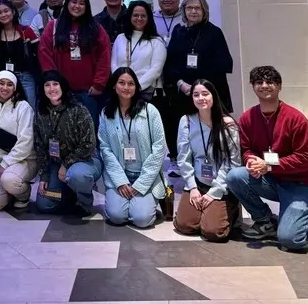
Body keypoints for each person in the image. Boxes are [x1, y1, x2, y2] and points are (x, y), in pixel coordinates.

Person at [226, 66, 308, 250]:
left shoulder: (296, 119)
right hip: (271, 180)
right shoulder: (248, 117)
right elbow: (246, 149)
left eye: (270, 82)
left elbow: (305, 158)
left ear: (279, 86)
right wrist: (251, 161)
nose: (264, 85)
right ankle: (264, 221)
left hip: (300, 183)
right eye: (259, 82)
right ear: (252, 86)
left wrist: (269, 166)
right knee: (234, 176)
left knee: (290, 240)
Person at [163, 0, 235, 173]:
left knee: (210, 133)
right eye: (189, 8)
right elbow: (170, 63)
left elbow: (224, 63)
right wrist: (180, 83)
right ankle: (187, 168)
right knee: (187, 132)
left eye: (197, 8)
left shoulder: (214, 32)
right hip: (184, 92)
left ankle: (216, 167)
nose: (193, 11)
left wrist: (199, 87)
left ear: (204, 10)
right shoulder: (178, 32)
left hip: (209, 92)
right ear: (184, 10)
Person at [98, 68, 167, 228]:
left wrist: (141, 184)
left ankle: (143, 205)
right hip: (119, 175)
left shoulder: (150, 111)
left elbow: (159, 148)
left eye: (131, 84)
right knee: (116, 216)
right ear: (114, 85)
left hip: (145, 175)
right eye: (121, 83)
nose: (126, 87)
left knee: (141, 219)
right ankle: (131, 204)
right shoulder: (106, 113)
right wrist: (121, 181)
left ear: (136, 87)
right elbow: (105, 148)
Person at [173, 79, 241, 242]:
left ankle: (230, 210)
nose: (201, 98)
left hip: (221, 185)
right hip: (198, 183)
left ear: (213, 96)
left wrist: (214, 192)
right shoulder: (187, 121)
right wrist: (192, 187)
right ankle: (206, 213)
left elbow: (233, 162)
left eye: (205, 94)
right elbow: (183, 158)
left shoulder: (228, 124)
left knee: (213, 232)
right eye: (196, 95)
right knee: (184, 225)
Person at [38, 0, 111, 127]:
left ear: (86, 7)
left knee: (88, 129)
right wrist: (53, 84)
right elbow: (44, 53)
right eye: (74, 2)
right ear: (67, 4)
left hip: (88, 92)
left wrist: (99, 84)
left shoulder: (96, 28)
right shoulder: (53, 26)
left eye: (82, 3)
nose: (77, 6)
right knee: (63, 129)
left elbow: (104, 57)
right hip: (62, 92)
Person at [34, 71, 99, 215]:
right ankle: (68, 194)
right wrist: (44, 176)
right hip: (56, 163)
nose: (52, 88)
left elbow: (88, 144)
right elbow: (39, 146)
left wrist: (66, 165)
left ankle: (84, 201)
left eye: (55, 84)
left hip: (85, 161)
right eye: (47, 85)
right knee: (44, 204)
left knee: (77, 176)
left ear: (62, 86)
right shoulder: (41, 112)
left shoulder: (78, 109)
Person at [0, 71, 36, 211]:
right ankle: (9, 190)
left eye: (10, 84)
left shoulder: (23, 107)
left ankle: (23, 194)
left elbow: (25, 142)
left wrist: (5, 164)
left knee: (9, 180)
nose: (5, 87)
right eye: (1, 83)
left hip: (23, 160)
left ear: (15, 87)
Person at [111, 1, 167, 102]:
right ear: (130, 17)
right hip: (121, 91)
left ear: (149, 18)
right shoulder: (120, 38)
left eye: (143, 16)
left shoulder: (156, 41)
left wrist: (135, 87)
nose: (139, 18)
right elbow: (114, 63)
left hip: (145, 92)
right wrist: (121, 84)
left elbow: (156, 70)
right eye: (136, 15)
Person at [0, 0, 40, 107]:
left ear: (13, 11)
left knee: (29, 108)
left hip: (25, 77)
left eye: (6, 11)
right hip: (4, 79)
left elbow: (38, 53)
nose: (3, 15)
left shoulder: (25, 31)